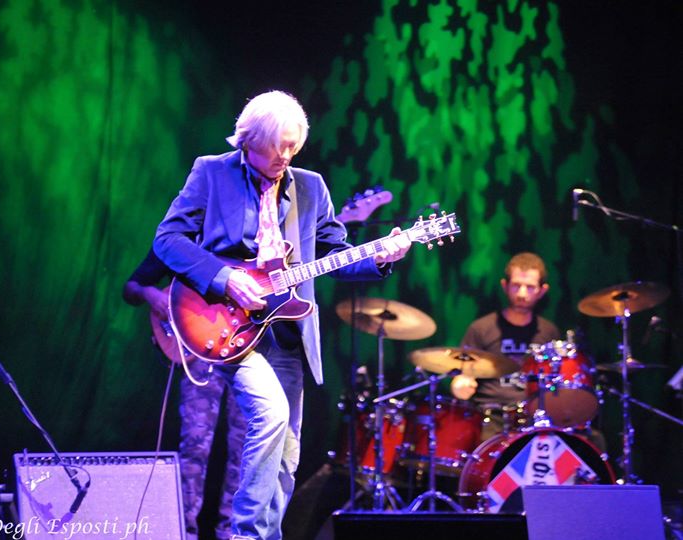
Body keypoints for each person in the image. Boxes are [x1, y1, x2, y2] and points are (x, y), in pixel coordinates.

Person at [152, 90, 412, 540]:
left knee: (287, 458)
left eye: (293, 146)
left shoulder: (310, 186)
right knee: (270, 415)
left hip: (287, 334)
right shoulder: (211, 172)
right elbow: (167, 240)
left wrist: (380, 257)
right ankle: (247, 535)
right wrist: (224, 279)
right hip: (226, 324)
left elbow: (335, 256)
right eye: (276, 147)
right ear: (249, 139)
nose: (285, 156)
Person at [123, 248, 247, 540]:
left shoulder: (253, 237)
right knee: (195, 443)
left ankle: (233, 532)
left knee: (246, 448)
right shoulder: (183, 237)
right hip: (201, 353)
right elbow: (131, 287)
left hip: (248, 348)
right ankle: (184, 530)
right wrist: (150, 294)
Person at [450, 252, 561, 439]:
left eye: (530, 287)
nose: (522, 294)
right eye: (516, 285)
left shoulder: (549, 332)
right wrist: (460, 385)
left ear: (542, 291)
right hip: (489, 417)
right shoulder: (481, 328)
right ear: (505, 286)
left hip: (534, 418)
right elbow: (462, 374)